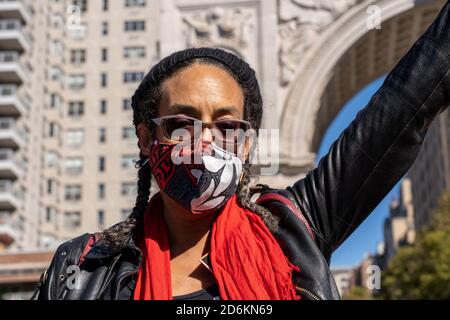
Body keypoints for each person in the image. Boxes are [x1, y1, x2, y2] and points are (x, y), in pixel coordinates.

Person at [32, 1, 450, 300]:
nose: (206, 141)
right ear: (145, 138)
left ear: (247, 144)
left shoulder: (294, 230)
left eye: (228, 125)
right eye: (182, 123)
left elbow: (405, 103)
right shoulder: (82, 268)